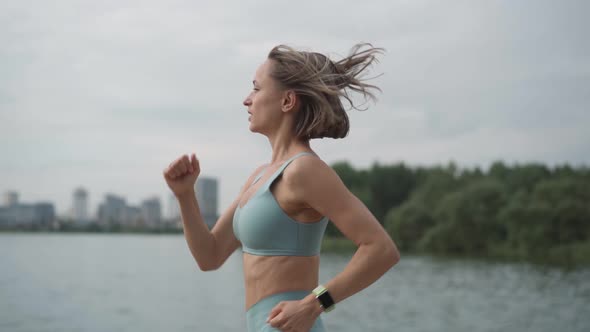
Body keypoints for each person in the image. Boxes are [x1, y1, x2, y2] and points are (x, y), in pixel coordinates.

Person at [163, 43, 400, 332]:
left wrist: (314, 304)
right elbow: (209, 256)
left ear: (287, 101)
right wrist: (185, 195)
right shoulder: (258, 177)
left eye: (256, 89)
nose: (246, 100)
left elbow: (381, 249)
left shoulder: (304, 170)